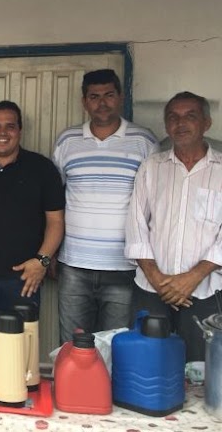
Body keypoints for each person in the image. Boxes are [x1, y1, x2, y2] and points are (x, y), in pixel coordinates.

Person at [53, 69, 159, 342]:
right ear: (84, 101)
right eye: (94, 96)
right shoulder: (67, 141)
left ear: (120, 97)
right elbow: (55, 200)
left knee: (116, 346)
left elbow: (156, 203)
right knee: (74, 346)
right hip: (74, 265)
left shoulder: (144, 141)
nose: (102, 103)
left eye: (109, 95)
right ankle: (74, 388)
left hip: (124, 266)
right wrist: (50, 253)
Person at [125, 91, 222, 361]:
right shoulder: (151, 167)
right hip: (151, 290)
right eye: (173, 117)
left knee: (200, 369)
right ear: (166, 125)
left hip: (204, 290)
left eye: (190, 116)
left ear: (206, 123)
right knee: (147, 364)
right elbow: (136, 226)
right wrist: (157, 279)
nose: (180, 124)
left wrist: (190, 278)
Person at [0, 101, 65, 317]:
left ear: (20, 130)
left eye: (10, 126)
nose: (2, 132)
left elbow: (56, 221)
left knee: (21, 348)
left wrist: (42, 261)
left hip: (25, 279)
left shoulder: (42, 168)